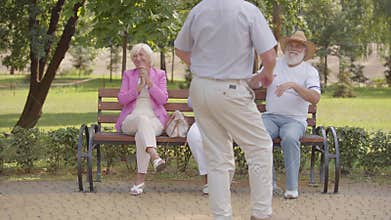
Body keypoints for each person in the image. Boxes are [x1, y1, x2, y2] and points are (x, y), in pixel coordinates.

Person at [174, 0, 277, 219]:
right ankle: (261, 213)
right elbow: (269, 56)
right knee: (259, 147)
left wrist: (204, 68)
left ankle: (222, 216)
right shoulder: (248, 10)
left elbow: (180, 50)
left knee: (217, 157)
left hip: (200, 87)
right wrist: (266, 75)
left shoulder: (199, 9)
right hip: (231, 89)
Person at [261, 31, 320, 199]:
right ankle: (268, 185)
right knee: (259, 136)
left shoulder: (310, 71)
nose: (293, 49)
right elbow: (256, 81)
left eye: (298, 46)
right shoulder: (274, 64)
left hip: (295, 120)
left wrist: (294, 85)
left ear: (304, 50)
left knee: (289, 137)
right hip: (270, 117)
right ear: (285, 48)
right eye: (291, 45)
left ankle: (292, 188)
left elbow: (315, 98)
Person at [115, 43, 168, 196]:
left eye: (141, 55)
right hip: (131, 120)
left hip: (154, 121)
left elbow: (163, 99)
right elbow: (122, 99)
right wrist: (138, 88)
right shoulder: (128, 75)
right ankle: (155, 156)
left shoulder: (160, 74)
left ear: (149, 58)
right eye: (135, 56)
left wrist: (149, 83)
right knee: (142, 121)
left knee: (141, 135)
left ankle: (139, 182)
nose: (138, 58)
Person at [187, 97, 208, 195]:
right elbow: (190, 102)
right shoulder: (199, 83)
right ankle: (207, 180)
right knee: (195, 136)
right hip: (201, 122)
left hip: (223, 122)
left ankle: (220, 180)